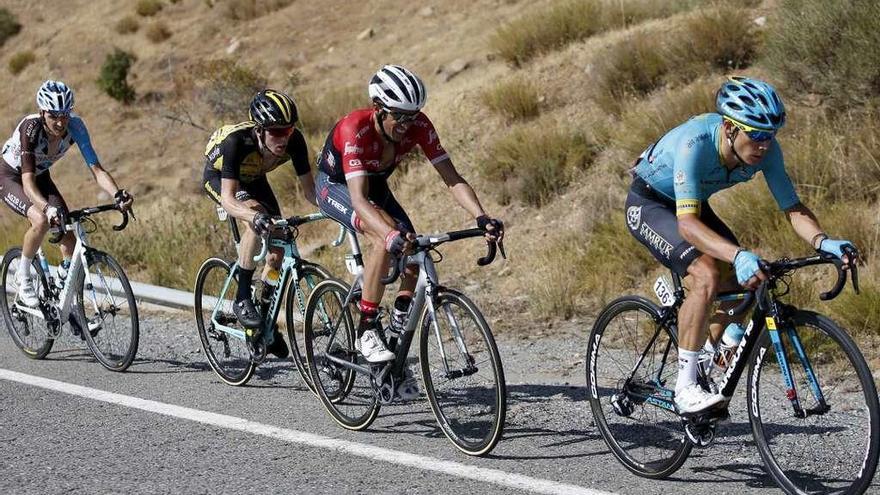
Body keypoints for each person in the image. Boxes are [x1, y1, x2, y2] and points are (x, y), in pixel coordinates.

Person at [625, 76, 858, 415]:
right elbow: (687, 225)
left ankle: (703, 350)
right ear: (730, 129)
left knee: (750, 282)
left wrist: (824, 241)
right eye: (757, 135)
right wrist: (737, 253)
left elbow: (792, 207)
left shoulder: (767, 152)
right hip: (650, 204)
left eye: (770, 136)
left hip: (692, 205)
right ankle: (685, 387)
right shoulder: (697, 142)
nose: (764, 145)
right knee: (706, 274)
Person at [314, 64, 504, 398]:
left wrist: (481, 216)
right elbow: (359, 200)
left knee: (415, 251)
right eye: (398, 117)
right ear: (378, 109)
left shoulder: (418, 126)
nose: (406, 125)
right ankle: (367, 329)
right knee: (383, 240)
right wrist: (389, 235)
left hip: (374, 184)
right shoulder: (354, 129)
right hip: (338, 187)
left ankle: (397, 337)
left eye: (412, 116)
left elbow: (452, 178)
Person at [202, 89, 317, 359]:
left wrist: (340, 210)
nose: (283, 137)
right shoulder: (237, 142)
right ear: (260, 130)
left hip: (254, 177)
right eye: (276, 132)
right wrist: (254, 216)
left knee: (277, 251)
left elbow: (311, 192)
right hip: (221, 178)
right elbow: (230, 200)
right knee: (256, 218)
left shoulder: (294, 141)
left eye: (288, 130)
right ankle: (242, 296)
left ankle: (265, 324)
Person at [1, 80, 134, 307]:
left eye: (65, 114)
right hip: (11, 176)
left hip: (41, 177)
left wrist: (117, 194)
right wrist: (46, 207)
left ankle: (65, 301)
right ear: (42, 112)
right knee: (41, 219)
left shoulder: (76, 126)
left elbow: (97, 170)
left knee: (69, 238)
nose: (61, 122)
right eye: (54, 116)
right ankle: (22, 277)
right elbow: (27, 181)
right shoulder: (30, 128)